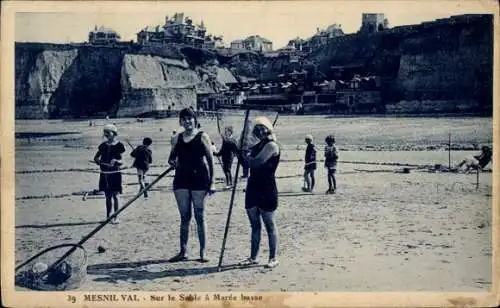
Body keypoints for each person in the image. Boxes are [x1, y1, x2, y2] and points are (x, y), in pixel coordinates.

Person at [167, 108, 215, 263]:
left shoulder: (203, 136)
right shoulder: (176, 138)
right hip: (181, 178)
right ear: (181, 122)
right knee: (184, 217)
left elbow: (210, 160)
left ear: (195, 120)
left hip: (200, 178)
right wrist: (172, 162)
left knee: (200, 216)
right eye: (184, 119)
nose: (187, 122)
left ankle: (203, 252)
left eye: (190, 119)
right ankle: (183, 251)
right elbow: (171, 158)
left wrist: (212, 182)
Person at [239, 116, 281, 268]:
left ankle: (273, 258)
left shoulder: (271, 146)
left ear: (268, 128)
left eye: (262, 128)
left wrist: (246, 155)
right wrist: (242, 151)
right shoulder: (257, 145)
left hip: (267, 188)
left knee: (269, 224)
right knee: (255, 225)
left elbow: (256, 162)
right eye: (257, 130)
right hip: (253, 187)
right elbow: (245, 161)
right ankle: (253, 257)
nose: (260, 131)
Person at [93, 124, 126, 224]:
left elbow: (121, 162)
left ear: (114, 133)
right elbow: (96, 158)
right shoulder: (103, 145)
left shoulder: (119, 145)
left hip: (115, 173)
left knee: (115, 195)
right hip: (104, 173)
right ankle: (108, 216)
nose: (106, 134)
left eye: (109, 132)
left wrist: (115, 161)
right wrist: (98, 161)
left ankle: (116, 217)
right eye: (105, 133)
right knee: (107, 196)